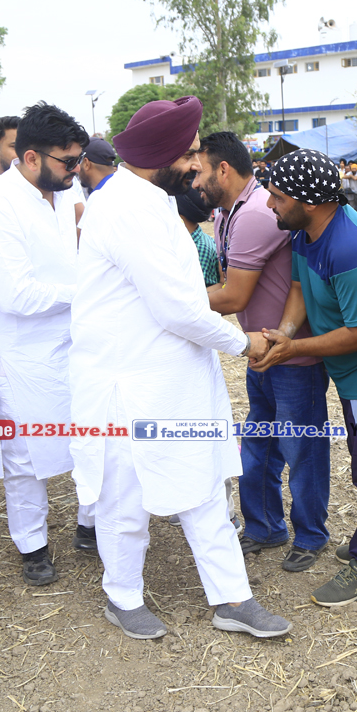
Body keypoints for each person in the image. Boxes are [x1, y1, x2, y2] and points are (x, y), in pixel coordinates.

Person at [69, 96, 290, 640]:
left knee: (204, 487)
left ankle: (233, 599)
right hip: (131, 387)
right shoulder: (125, 208)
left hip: (176, 381)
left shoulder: (150, 202)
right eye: (189, 154)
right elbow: (178, 309)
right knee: (125, 499)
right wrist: (244, 344)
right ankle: (122, 597)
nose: (196, 164)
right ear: (162, 155)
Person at [251, 148, 357, 606]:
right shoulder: (306, 231)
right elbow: (299, 287)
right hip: (352, 373)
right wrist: (284, 333)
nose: (270, 205)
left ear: (310, 201)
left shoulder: (350, 249)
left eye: (279, 197)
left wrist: (295, 348)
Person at [0, 102, 96, 585]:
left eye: (79, 159)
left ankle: (91, 525)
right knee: (25, 458)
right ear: (32, 157)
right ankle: (32, 547)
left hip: (74, 341)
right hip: (20, 353)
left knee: (92, 437)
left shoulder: (63, 190)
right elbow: (15, 294)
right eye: (68, 161)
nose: (76, 169)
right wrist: (90, 292)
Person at [198, 132, 329, 572]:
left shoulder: (255, 213)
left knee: (301, 449)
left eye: (200, 170)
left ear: (223, 170)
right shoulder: (228, 212)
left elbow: (233, 296)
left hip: (292, 355)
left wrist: (170, 302)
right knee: (259, 445)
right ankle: (265, 526)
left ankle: (310, 535)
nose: (194, 181)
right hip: (262, 348)